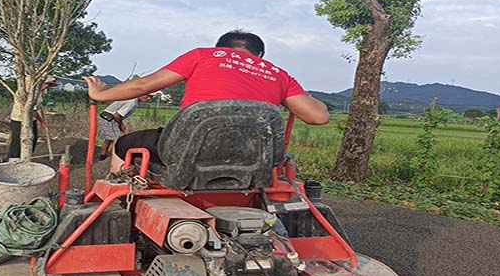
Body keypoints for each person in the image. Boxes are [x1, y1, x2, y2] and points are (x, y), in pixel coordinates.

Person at [83, 30, 329, 172]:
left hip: (187, 151)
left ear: (220, 48)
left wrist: (100, 94)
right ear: (260, 55)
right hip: (254, 157)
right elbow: (317, 116)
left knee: (123, 143)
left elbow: (143, 85)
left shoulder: (203, 55)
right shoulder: (278, 73)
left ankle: (119, 202)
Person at [8, 75, 57, 160]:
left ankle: (26, 158)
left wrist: (41, 118)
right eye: (46, 84)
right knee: (17, 142)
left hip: (31, 119)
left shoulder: (39, 93)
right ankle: (13, 160)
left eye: (48, 85)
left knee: (33, 139)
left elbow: (38, 107)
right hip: (19, 119)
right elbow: (32, 111)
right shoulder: (29, 92)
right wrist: (42, 121)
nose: (46, 87)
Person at [97, 94, 153, 160]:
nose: (148, 98)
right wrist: (121, 125)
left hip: (106, 116)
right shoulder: (132, 102)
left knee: (109, 139)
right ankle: (113, 158)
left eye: (151, 97)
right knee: (117, 139)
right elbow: (117, 116)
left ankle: (103, 156)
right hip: (110, 118)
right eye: (147, 95)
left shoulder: (132, 99)